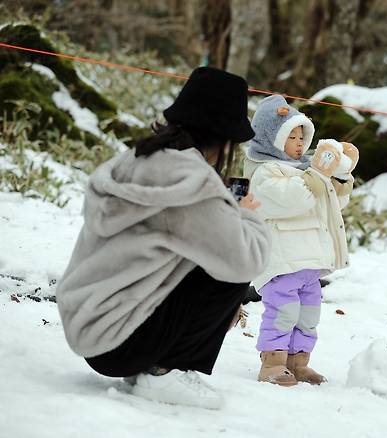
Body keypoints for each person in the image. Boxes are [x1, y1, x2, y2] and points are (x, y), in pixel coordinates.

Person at [56, 67, 271, 410]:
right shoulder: (191, 181)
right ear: (225, 137)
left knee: (211, 249)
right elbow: (247, 258)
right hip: (121, 342)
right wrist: (244, 213)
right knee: (233, 262)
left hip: (89, 326)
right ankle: (164, 372)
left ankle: (153, 364)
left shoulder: (138, 157)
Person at [244, 94, 358, 386]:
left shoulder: (305, 170)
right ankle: (272, 363)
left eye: (301, 135)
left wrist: (340, 177)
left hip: (309, 263)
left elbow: (328, 205)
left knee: (308, 316)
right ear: (272, 139)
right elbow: (292, 200)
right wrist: (317, 173)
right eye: (290, 136)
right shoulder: (263, 172)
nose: (298, 142)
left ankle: (299, 362)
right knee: (283, 313)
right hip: (282, 261)